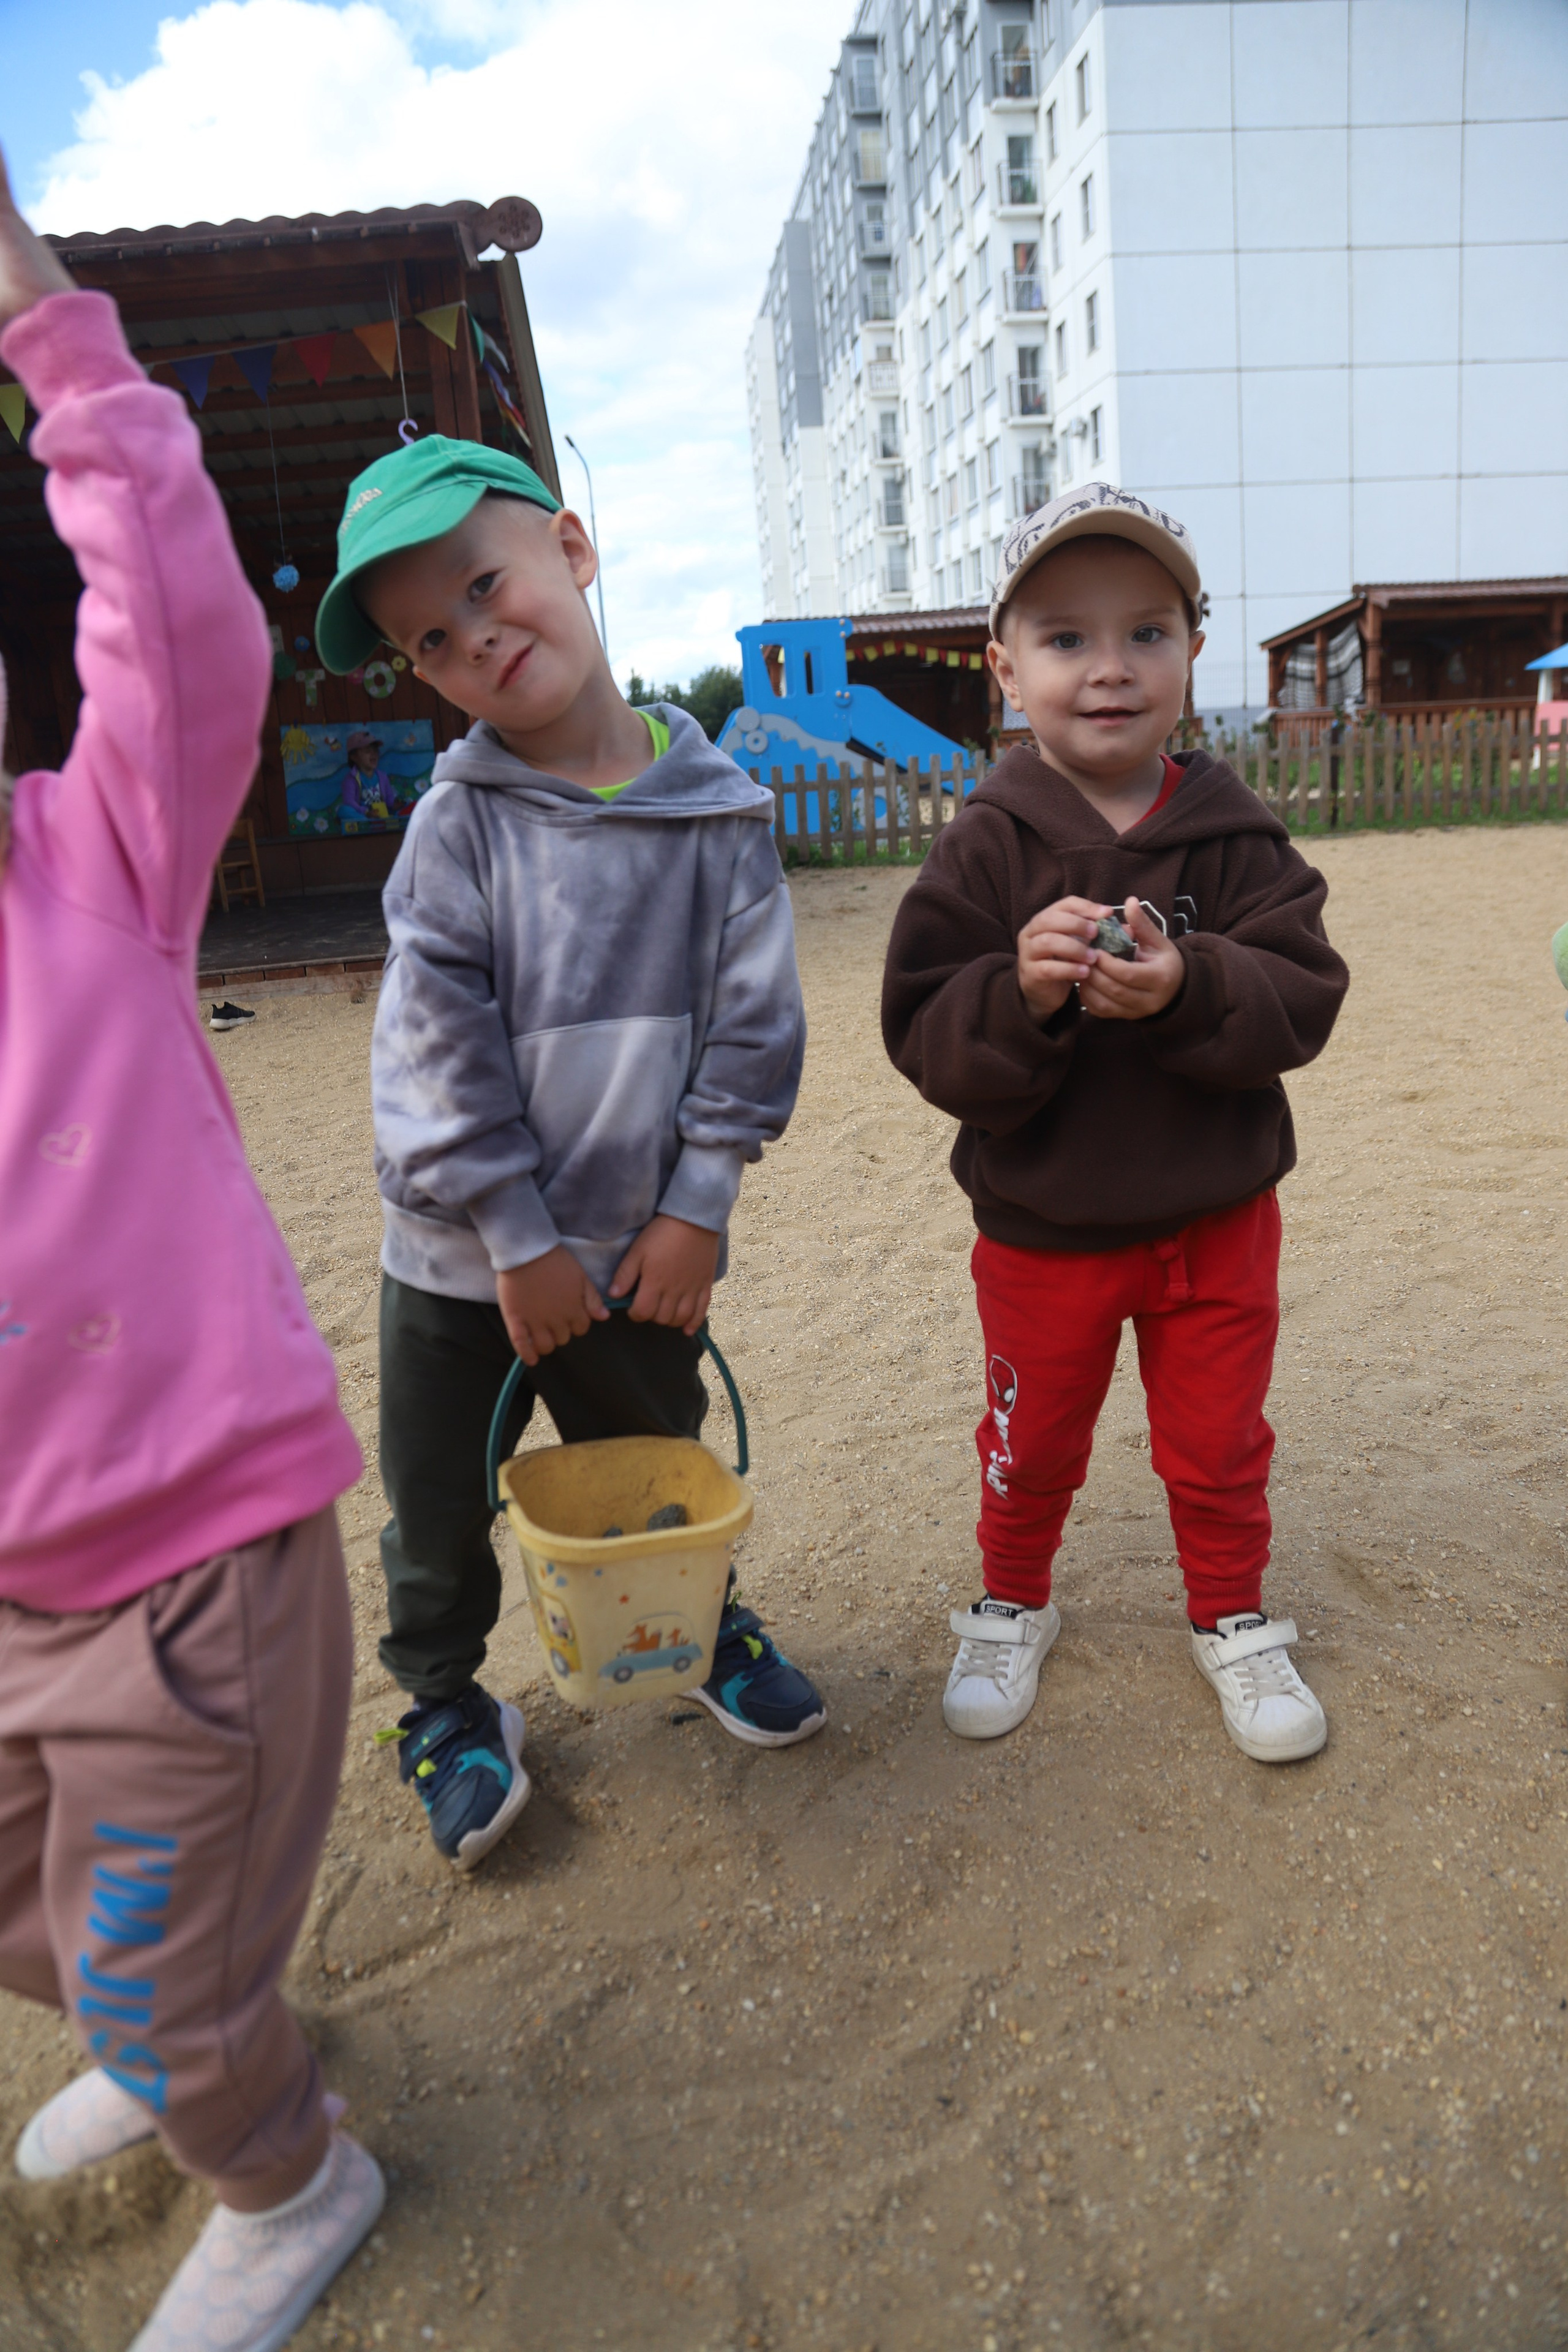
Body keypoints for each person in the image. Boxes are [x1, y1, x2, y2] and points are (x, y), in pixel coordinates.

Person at [0, 157, 382, 2349]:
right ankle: (179, 2023)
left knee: (151, 1948)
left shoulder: (91, 857)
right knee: (53, 1918)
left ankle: (290, 2166)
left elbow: (173, 599)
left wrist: (40, 310)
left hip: (182, 1568)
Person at [313, 433, 825, 1871]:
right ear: (423, 675)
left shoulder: (719, 815)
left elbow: (751, 1025)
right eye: (433, 636)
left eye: (487, 585)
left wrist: (699, 1205)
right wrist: (511, 1238)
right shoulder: (456, 829)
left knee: (653, 1459)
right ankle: (445, 1706)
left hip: (639, 1245)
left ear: (571, 550)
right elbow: (435, 1047)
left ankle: (699, 1626)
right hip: (459, 1264)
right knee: (433, 1504)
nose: (477, 637)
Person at [882, 483, 1349, 1760]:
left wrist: (1190, 985)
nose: (1108, 669)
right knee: (1028, 1440)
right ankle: (1010, 1597)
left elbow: (1303, 993)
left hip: (1214, 1218)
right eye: (1066, 638)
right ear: (1003, 668)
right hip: (1042, 1228)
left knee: (1214, 1443)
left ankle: (1232, 1619)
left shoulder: (1233, 835)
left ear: (1194, 654)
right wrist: (1019, 994)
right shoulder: (984, 846)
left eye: (1146, 632)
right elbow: (922, 1025)